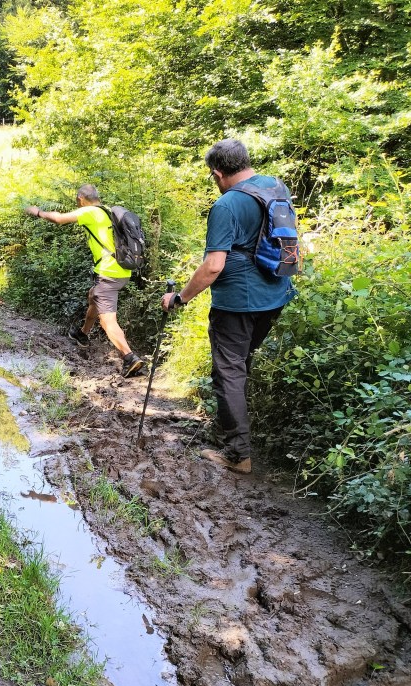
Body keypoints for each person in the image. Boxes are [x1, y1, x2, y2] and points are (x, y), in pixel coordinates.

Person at [161, 138, 297, 474]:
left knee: (229, 373)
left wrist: (180, 298)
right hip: (275, 295)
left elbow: (213, 267)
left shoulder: (227, 205)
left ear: (217, 173)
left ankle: (238, 454)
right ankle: (232, 427)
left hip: (238, 303)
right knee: (239, 364)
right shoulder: (275, 186)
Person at [26, 185, 146, 378]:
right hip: (123, 271)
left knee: (107, 320)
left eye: (77, 200)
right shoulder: (107, 211)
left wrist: (38, 212)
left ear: (81, 198)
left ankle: (129, 357)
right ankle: (83, 333)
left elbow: (58, 219)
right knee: (93, 296)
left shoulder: (90, 212)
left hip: (108, 273)